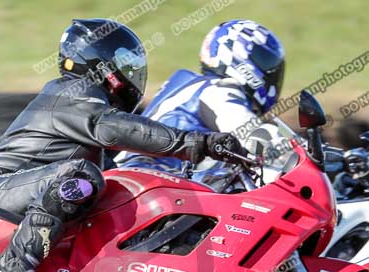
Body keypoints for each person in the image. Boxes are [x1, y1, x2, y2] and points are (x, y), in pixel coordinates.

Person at [0, 18, 246, 272]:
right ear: (102, 62)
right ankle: (12, 266)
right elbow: (117, 128)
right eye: (126, 62)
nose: (132, 72)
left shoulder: (85, 115)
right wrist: (199, 142)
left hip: (15, 192)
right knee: (82, 177)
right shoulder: (71, 93)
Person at [116, 19, 286, 174]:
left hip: (139, 180)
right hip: (151, 184)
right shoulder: (217, 89)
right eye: (265, 59)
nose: (271, 71)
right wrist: (290, 151)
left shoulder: (188, 87)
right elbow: (249, 130)